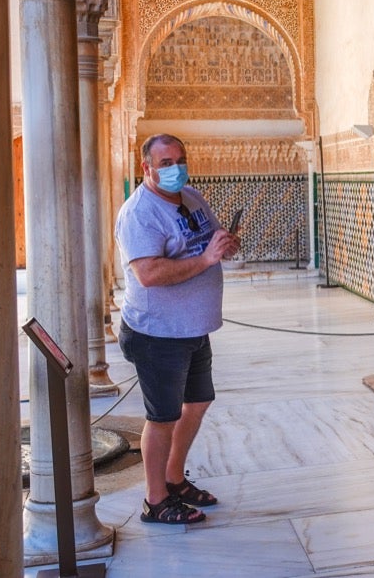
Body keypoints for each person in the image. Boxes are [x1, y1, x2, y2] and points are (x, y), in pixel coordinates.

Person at [115, 133, 240, 524]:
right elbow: (149, 273)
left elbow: (208, 243)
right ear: (146, 168)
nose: (175, 168)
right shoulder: (139, 212)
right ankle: (155, 501)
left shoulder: (191, 196)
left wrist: (224, 246)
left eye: (180, 159)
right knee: (163, 416)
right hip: (158, 333)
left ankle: (173, 478)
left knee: (197, 403)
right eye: (165, 162)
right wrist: (205, 261)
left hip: (191, 329)